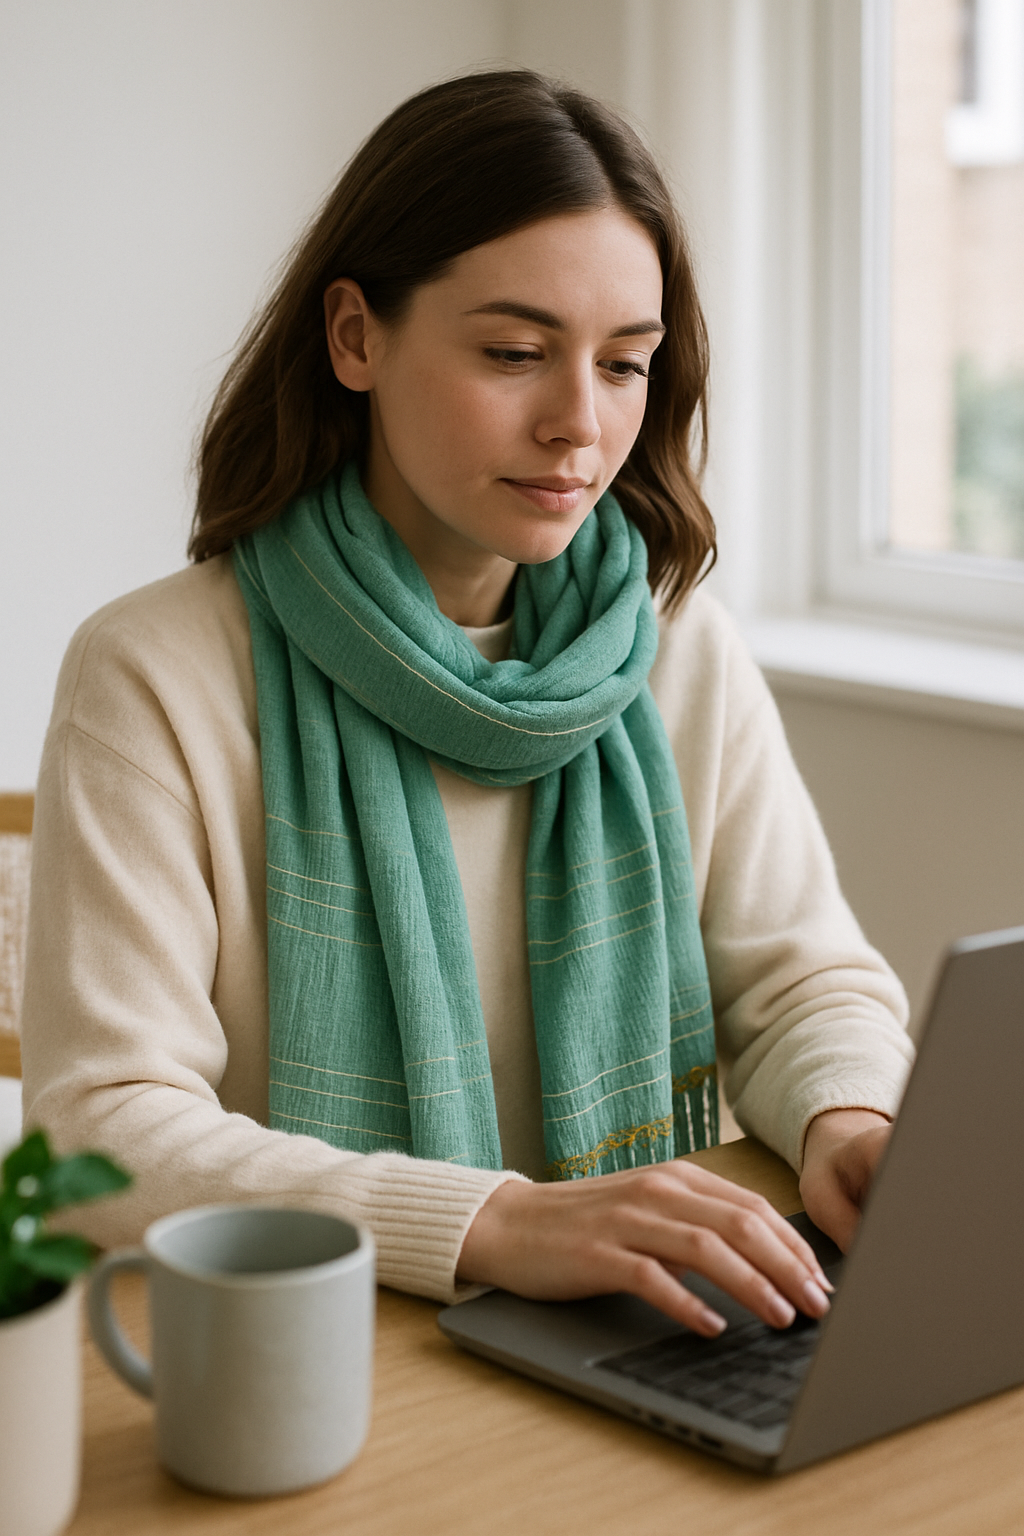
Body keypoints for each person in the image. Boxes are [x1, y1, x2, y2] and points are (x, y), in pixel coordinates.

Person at [21, 70, 912, 1339]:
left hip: (644, 1322)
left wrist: (851, 1115)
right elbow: (101, 1124)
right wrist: (494, 1222)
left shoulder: (673, 649)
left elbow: (803, 986)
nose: (579, 427)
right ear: (354, 337)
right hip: (313, 1344)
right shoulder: (154, 674)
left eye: (625, 365)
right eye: (513, 353)